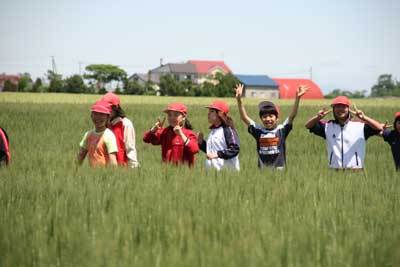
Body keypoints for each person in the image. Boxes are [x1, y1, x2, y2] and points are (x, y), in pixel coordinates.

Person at [235, 83, 309, 169]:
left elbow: (292, 116)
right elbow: (244, 117)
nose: (268, 119)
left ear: (277, 118)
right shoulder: (258, 131)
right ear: (261, 119)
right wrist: (239, 100)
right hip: (263, 171)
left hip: (279, 170)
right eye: (264, 117)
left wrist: (297, 98)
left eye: (271, 116)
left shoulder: (281, 130)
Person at [305, 96, 383, 170]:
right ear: (333, 109)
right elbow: (308, 126)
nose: (340, 109)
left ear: (348, 109)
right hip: (334, 170)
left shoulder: (360, 126)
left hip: (356, 170)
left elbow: (379, 127)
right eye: (337, 106)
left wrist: (364, 117)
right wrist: (317, 117)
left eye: (343, 106)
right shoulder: (327, 126)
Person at [143, 102, 199, 166]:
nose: (172, 118)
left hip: (183, 173)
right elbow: (146, 139)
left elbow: (194, 149)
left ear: (183, 117)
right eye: (169, 115)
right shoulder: (164, 132)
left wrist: (181, 135)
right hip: (167, 172)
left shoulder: (188, 133)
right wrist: (154, 128)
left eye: (175, 115)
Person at [197, 100, 240, 171]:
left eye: (211, 111)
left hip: (227, 174)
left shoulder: (228, 130)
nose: (208, 114)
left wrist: (217, 154)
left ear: (220, 114)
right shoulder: (213, 131)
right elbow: (212, 152)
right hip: (212, 174)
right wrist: (201, 143)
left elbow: (234, 149)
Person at [101, 92, 139, 168]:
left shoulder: (125, 124)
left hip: (121, 168)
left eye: (110, 108)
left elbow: (130, 148)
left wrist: (134, 168)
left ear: (116, 108)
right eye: (104, 107)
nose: (107, 110)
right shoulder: (102, 125)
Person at [77, 100, 118, 167]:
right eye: (95, 113)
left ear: (108, 117)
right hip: (92, 175)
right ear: (91, 115)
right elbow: (80, 155)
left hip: (105, 175)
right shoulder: (88, 134)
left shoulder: (109, 136)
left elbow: (113, 160)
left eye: (102, 114)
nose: (98, 117)